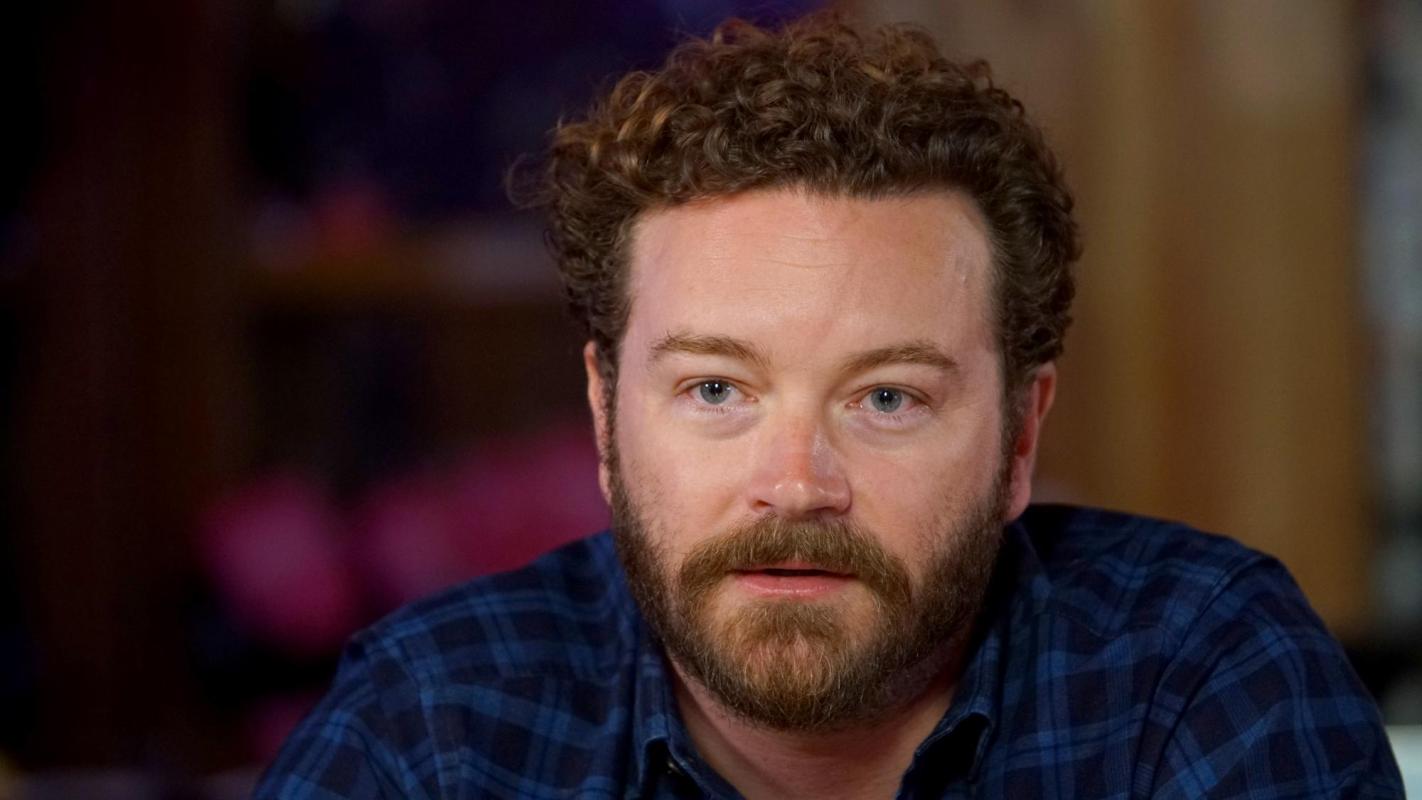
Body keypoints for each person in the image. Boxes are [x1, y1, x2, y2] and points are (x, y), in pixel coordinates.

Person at [255, 15, 1403, 799]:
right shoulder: (437, 729)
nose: (797, 482)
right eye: (716, 389)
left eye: (888, 396)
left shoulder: (1198, 677)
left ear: (1020, 435)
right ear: (606, 417)